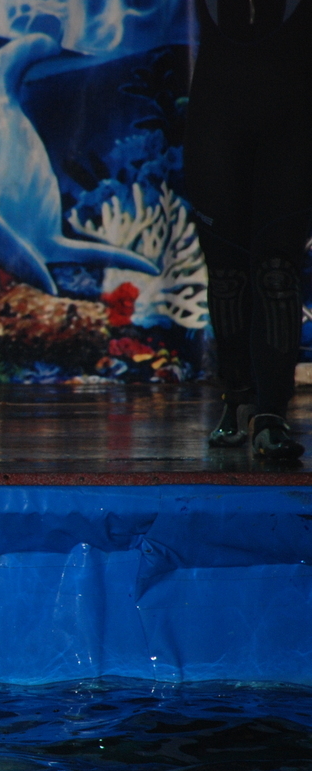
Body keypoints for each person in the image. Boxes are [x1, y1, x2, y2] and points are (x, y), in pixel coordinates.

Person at [186, 0, 310, 460]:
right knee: (226, 274)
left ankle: (272, 413)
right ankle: (237, 397)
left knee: (278, 271)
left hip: (293, 124)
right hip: (217, 120)